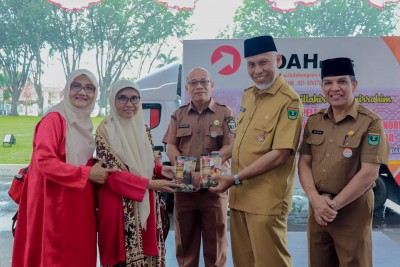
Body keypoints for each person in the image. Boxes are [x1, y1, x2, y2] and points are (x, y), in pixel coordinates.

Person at [209, 35, 304, 267]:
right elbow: (243, 142)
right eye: (251, 64)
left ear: (278, 60)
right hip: (241, 198)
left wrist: (235, 178)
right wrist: (216, 157)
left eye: (264, 62)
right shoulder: (249, 95)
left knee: (271, 262)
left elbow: (280, 154)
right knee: (244, 262)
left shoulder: (289, 101)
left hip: (266, 201)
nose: (257, 70)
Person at [12, 69, 116, 267]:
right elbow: (44, 161)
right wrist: (87, 173)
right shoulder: (54, 119)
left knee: (79, 256)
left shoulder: (83, 123)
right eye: (76, 86)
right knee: (56, 257)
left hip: (77, 205)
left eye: (89, 88)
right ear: (67, 88)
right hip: (54, 205)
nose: (82, 92)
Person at [298, 57, 390, 267]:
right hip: (318, 207)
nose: (335, 88)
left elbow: (369, 173)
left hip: (351, 208)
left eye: (342, 82)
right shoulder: (315, 121)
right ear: (322, 86)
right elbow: (304, 162)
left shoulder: (370, 122)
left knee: (353, 262)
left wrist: (333, 206)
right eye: (328, 83)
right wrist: (315, 199)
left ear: (354, 85)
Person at [95, 79, 179, 267]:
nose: (129, 104)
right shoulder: (105, 130)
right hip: (118, 206)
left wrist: (161, 170)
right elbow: (111, 173)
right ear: (112, 100)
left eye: (134, 98)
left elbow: (145, 164)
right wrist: (149, 184)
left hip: (146, 203)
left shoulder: (143, 128)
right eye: (122, 98)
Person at [162, 67, 235, 267]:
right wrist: (187, 173)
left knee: (216, 248)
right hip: (185, 187)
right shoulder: (179, 115)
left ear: (212, 85)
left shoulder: (225, 112)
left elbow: (231, 146)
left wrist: (203, 172)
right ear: (187, 88)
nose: (199, 86)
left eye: (203, 82)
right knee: (185, 247)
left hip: (213, 187)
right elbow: (170, 145)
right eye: (193, 83)